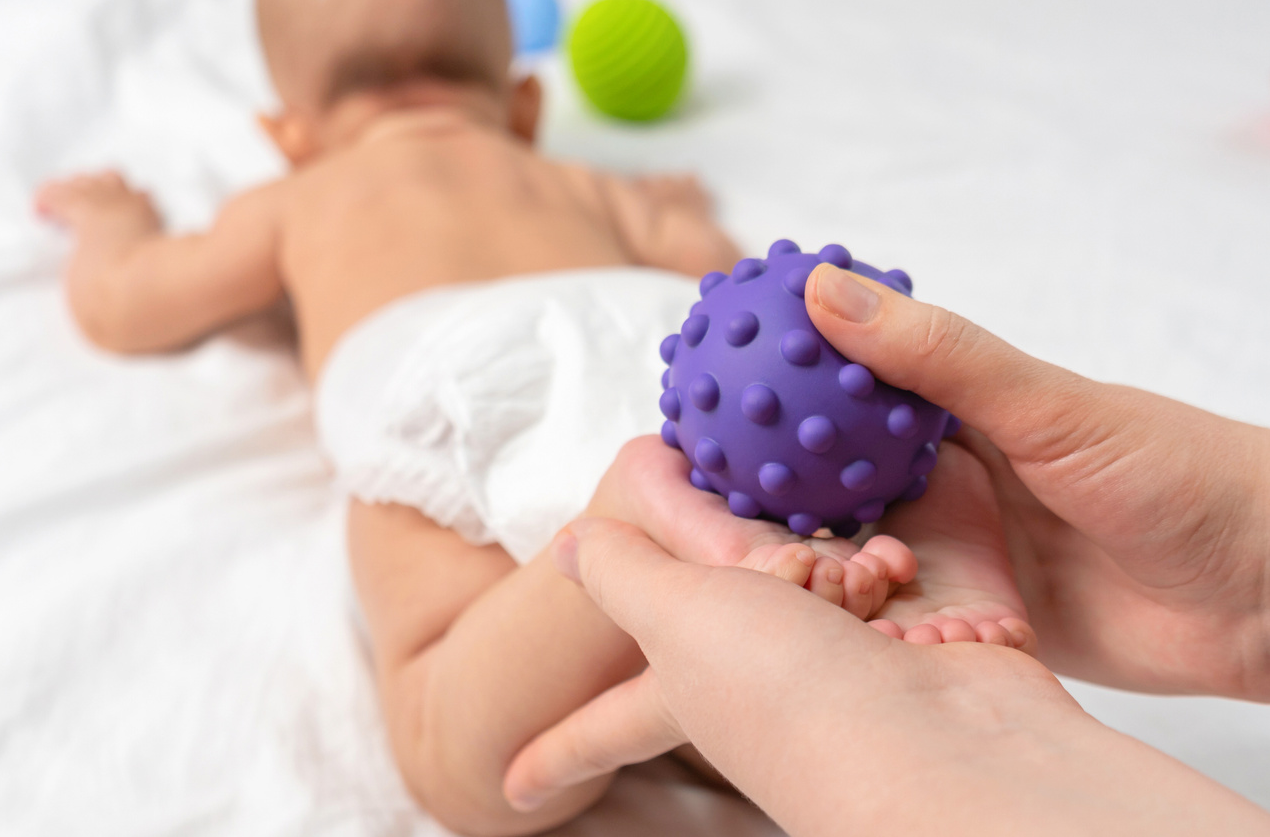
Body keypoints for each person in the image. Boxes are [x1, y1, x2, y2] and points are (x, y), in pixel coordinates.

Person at [35, 0, 995, 833]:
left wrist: (112, 226)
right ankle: (772, 638)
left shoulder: (304, 195)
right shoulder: (575, 180)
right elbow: (700, 254)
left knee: (453, 741)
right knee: (749, 685)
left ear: (287, 135)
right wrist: (672, 205)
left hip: (454, 376)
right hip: (652, 369)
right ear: (523, 102)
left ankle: (619, 538)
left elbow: (130, 306)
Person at [502, 263, 1270, 834]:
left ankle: (883, 651)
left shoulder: (593, 196)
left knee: (494, 759)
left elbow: (679, 228)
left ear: (526, 104)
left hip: (742, 441)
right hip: (532, 408)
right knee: (467, 758)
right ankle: (672, 517)